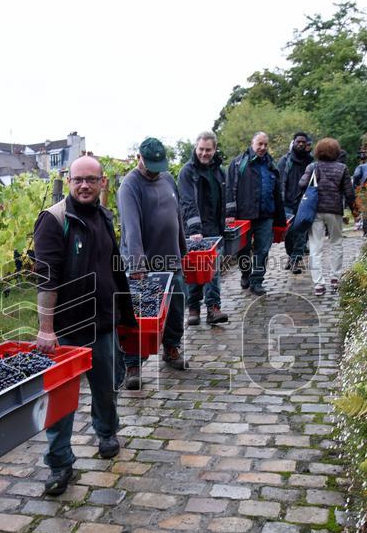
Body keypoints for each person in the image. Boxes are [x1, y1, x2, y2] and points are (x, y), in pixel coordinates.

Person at [33, 156, 136, 495]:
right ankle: (60, 464)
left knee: (106, 387)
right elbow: (46, 279)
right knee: (61, 402)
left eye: (91, 179)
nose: (84, 185)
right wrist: (46, 328)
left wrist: (125, 312)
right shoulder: (54, 220)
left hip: (102, 323)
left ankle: (107, 432)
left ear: (102, 182)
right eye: (78, 179)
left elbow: (114, 267)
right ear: (70, 180)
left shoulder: (105, 217)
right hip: (65, 329)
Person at [118, 137, 189, 389]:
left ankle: (171, 347)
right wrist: (137, 265)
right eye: (150, 164)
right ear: (139, 157)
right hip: (145, 264)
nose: (154, 170)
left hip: (171, 258)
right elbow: (131, 227)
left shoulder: (168, 179)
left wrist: (183, 248)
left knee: (177, 306)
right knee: (139, 315)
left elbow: (177, 215)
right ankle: (133, 364)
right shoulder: (130, 185)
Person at [177, 130, 229, 326]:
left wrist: (226, 221)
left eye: (208, 150)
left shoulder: (218, 171)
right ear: (195, 148)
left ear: (215, 149)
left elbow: (223, 199)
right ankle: (193, 307)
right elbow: (187, 201)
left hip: (215, 228)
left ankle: (213, 308)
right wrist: (194, 229)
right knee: (195, 270)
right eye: (201, 149)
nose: (204, 153)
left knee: (213, 270)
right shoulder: (187, 172)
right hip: (194, 230)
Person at [227, 132, 286, 296]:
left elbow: (276, 191)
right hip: (243, 215)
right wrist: (230, 212)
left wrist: (279, 218)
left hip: (266, 214)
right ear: (252, 143)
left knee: (263, 249)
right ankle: (245, 273)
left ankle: (257, 281)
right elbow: (230, 188)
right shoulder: (239, 162)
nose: (263, 148)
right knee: (243, 249)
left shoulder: (271, 164)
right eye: (260, 144)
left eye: (265, 145)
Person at [298, 137, 356, 296]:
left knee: (315, 247)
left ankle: (318, 285)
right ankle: (335, 278)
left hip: (315, 210)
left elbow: (302, 184)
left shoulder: (312, 166)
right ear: (336, 152)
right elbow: (349, 193)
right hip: (334, 211)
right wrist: (355, 211)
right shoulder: (342, 168)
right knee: (336, 243)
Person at [278, 132, 314, 274]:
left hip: (304, 202)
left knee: (301, 232)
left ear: (306, 144)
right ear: (293, 142)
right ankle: (290, 255)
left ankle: (295, 260)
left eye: (303, 142)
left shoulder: (310, 161)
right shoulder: (285, 161)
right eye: (298, 141)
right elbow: (279, 182)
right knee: (289, 234)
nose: (300, 144)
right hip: (287, 202)